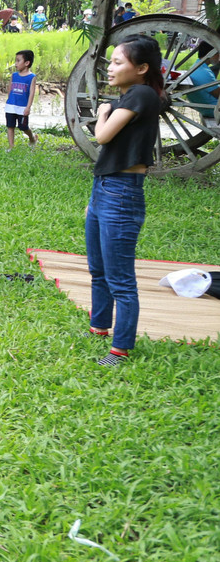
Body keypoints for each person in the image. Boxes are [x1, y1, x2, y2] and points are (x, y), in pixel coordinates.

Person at [87, 35, 164, 367]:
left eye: (119, 62)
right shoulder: (131, 96)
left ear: (142, 68)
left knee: (120, 278)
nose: (111, 68)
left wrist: (102, 113)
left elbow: (102, 136)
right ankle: (99, 326)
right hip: (105, 188)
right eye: (112, 62)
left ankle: (120, 349)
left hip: (122, 193)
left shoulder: (143, 94)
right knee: (98, 269)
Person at [4, 49, 38, 149]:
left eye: (18, 61)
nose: (16, 64)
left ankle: (32, 138)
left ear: (27, 63)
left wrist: (28, 107)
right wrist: (9, 101)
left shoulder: (31, 77)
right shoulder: (14, 75)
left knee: (23, 127)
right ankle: (11, 146)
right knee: (10, 126)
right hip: (11, 105)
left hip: (22, 107)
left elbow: (32, 93)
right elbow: (10, 88)